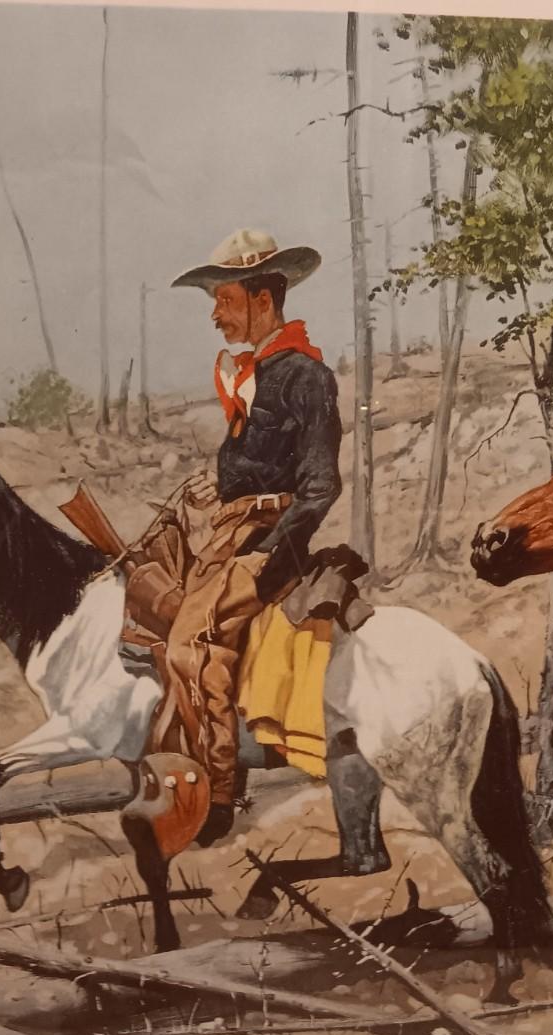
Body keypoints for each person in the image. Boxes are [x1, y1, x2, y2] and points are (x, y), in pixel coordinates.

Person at [156, 228, 343, 846]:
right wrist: (220, 487)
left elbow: (319, 486)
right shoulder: (256, 372)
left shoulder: (306, 376)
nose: (215, 315)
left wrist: (268, 555)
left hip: (266, 539)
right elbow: (264, 461)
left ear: (264, 300)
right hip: (232, 528)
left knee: (191, 643)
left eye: (225, 300)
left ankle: (218, 793)